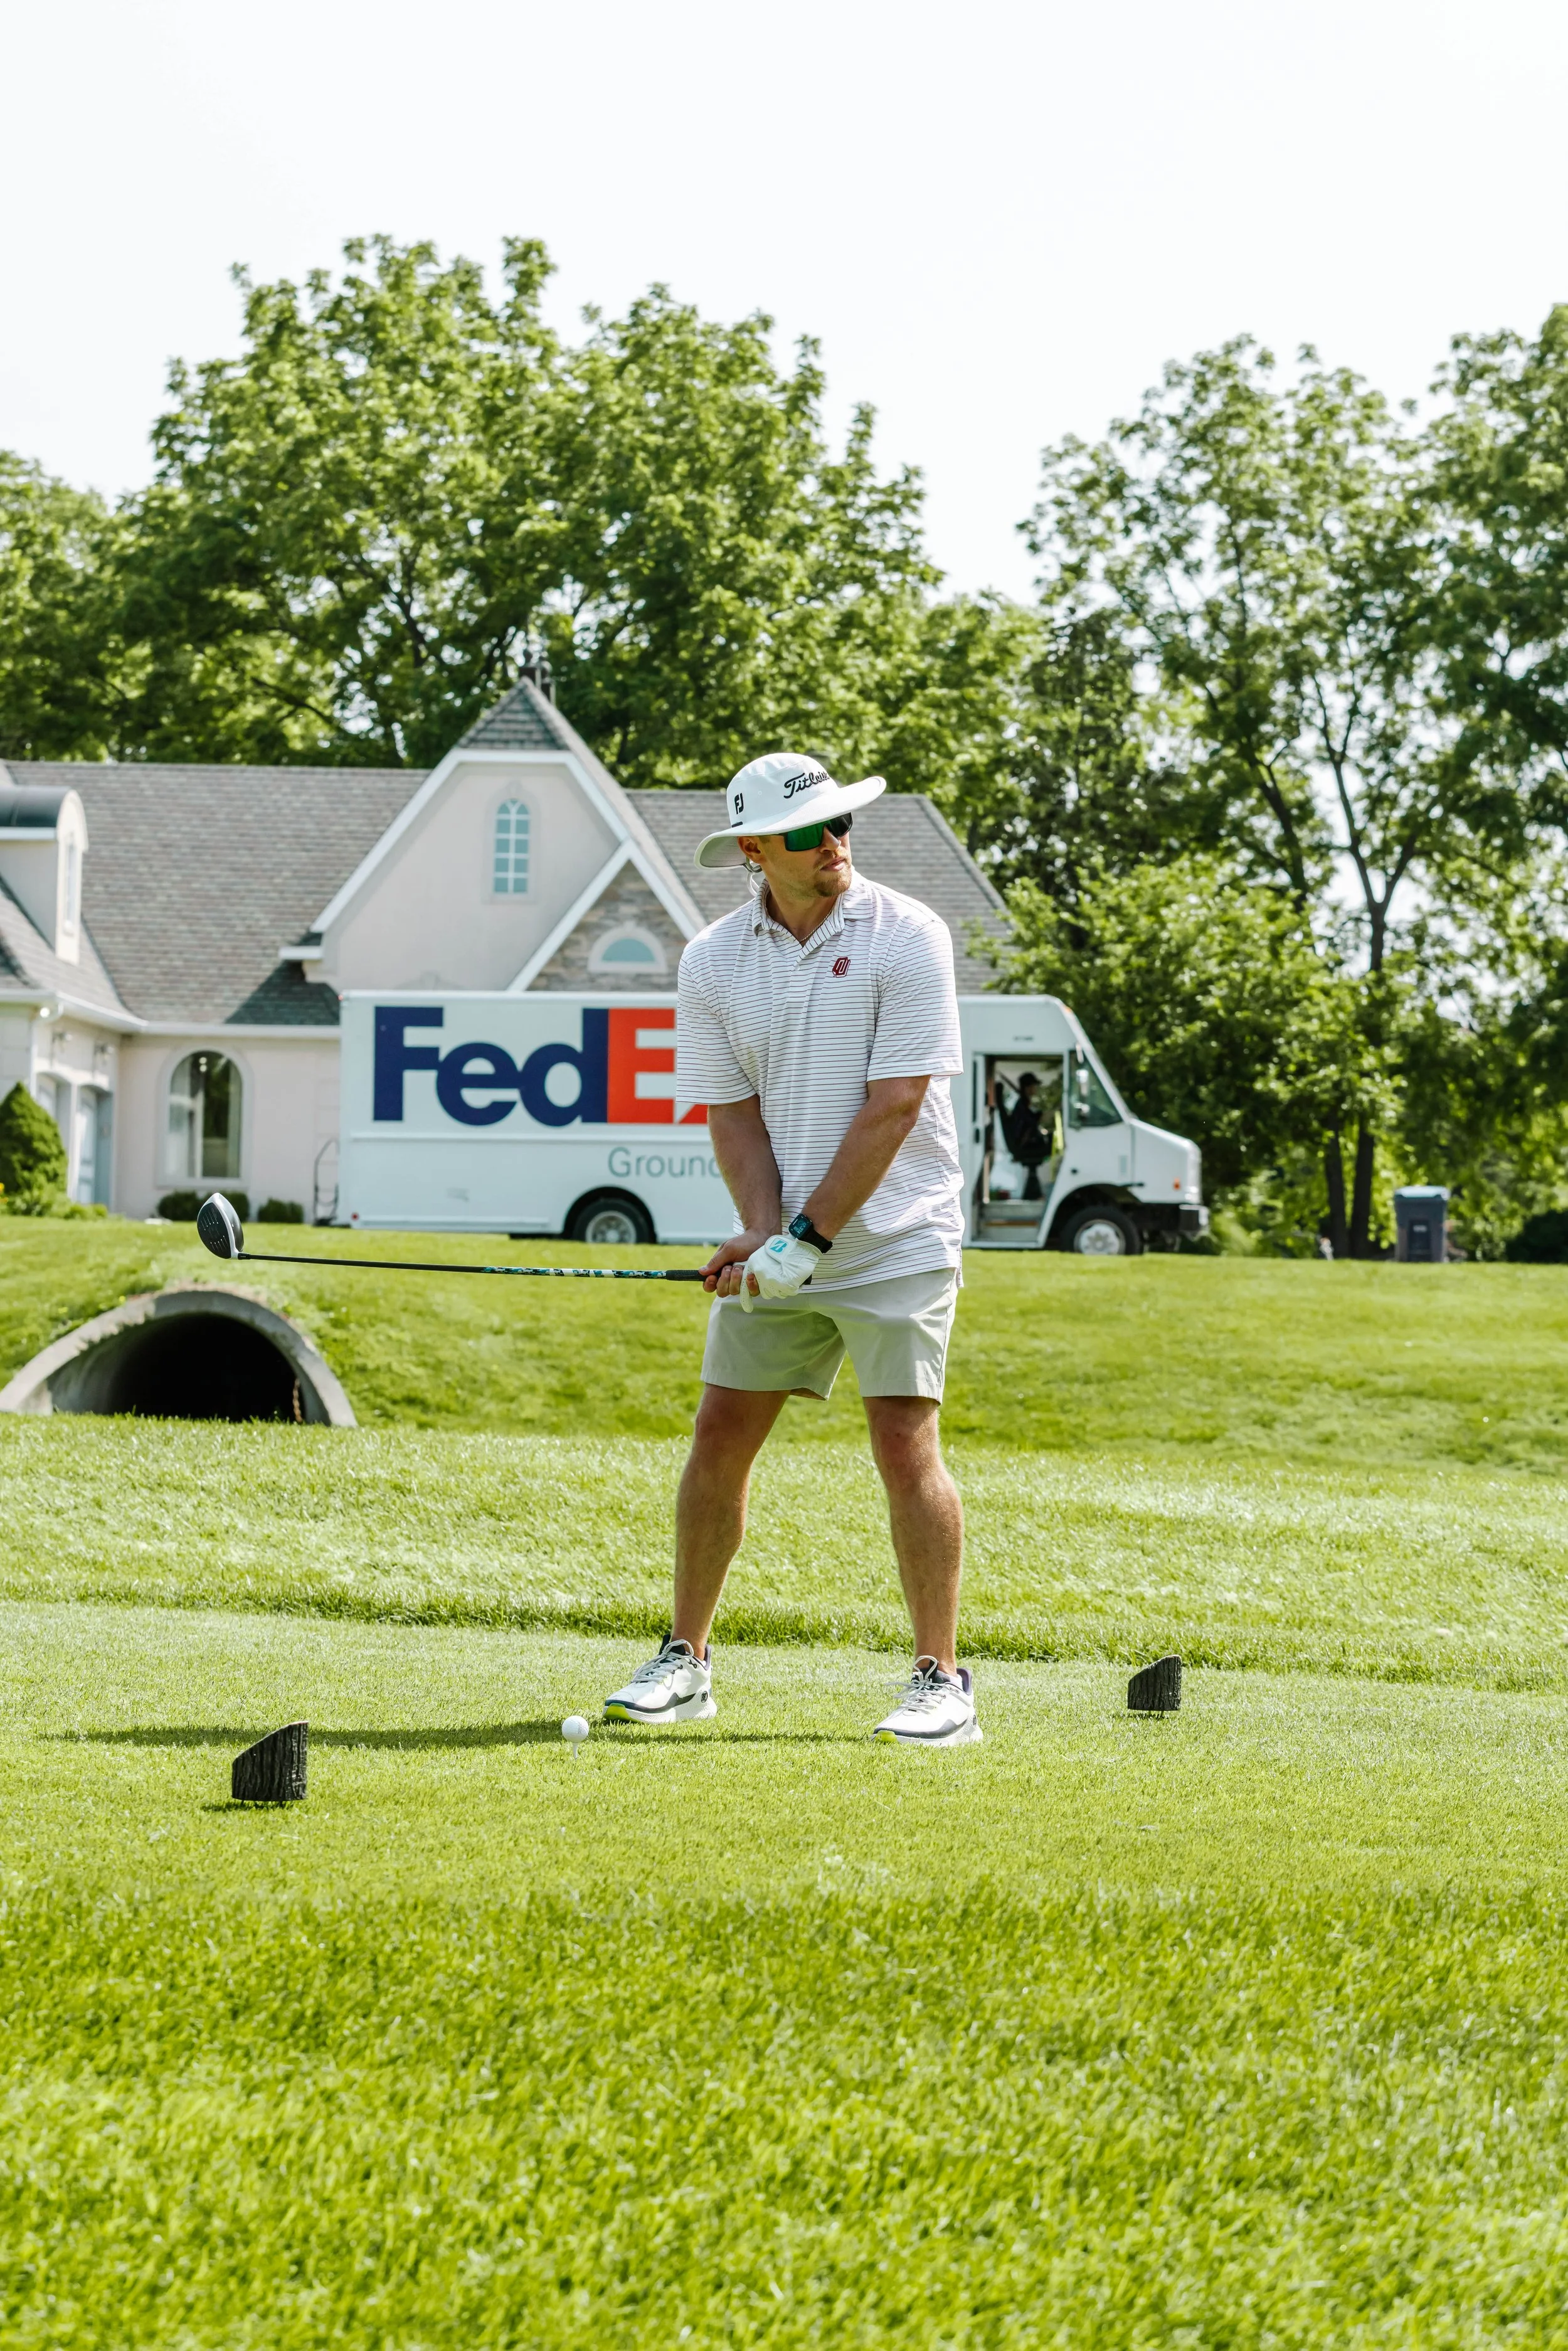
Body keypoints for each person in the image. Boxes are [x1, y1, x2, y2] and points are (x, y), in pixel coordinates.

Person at [602, 750, 980, 1746]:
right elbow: (733, 1117)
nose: (838, 844)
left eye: (843, 824)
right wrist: (766, 1232)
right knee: (719, 1433)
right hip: (796, 1249)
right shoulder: (712, 962)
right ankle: (687, 1660)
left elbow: (896, 1104)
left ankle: (943, 1680)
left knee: (905, 1444)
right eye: (814, 832)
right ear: (758, 850)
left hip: (897, 1238)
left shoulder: (909, 935)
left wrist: (803, 1240)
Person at [1000, 1071, 1049, 1200]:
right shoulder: (1021, 1104)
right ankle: (1034, 1194)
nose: (1035, 1089)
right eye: (1034, 1086)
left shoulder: (1024, 1103)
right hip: (1023, 1146)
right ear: (1027, 1088)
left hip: (1024, 1144)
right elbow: (1031, 1123)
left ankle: (1034, 1193)